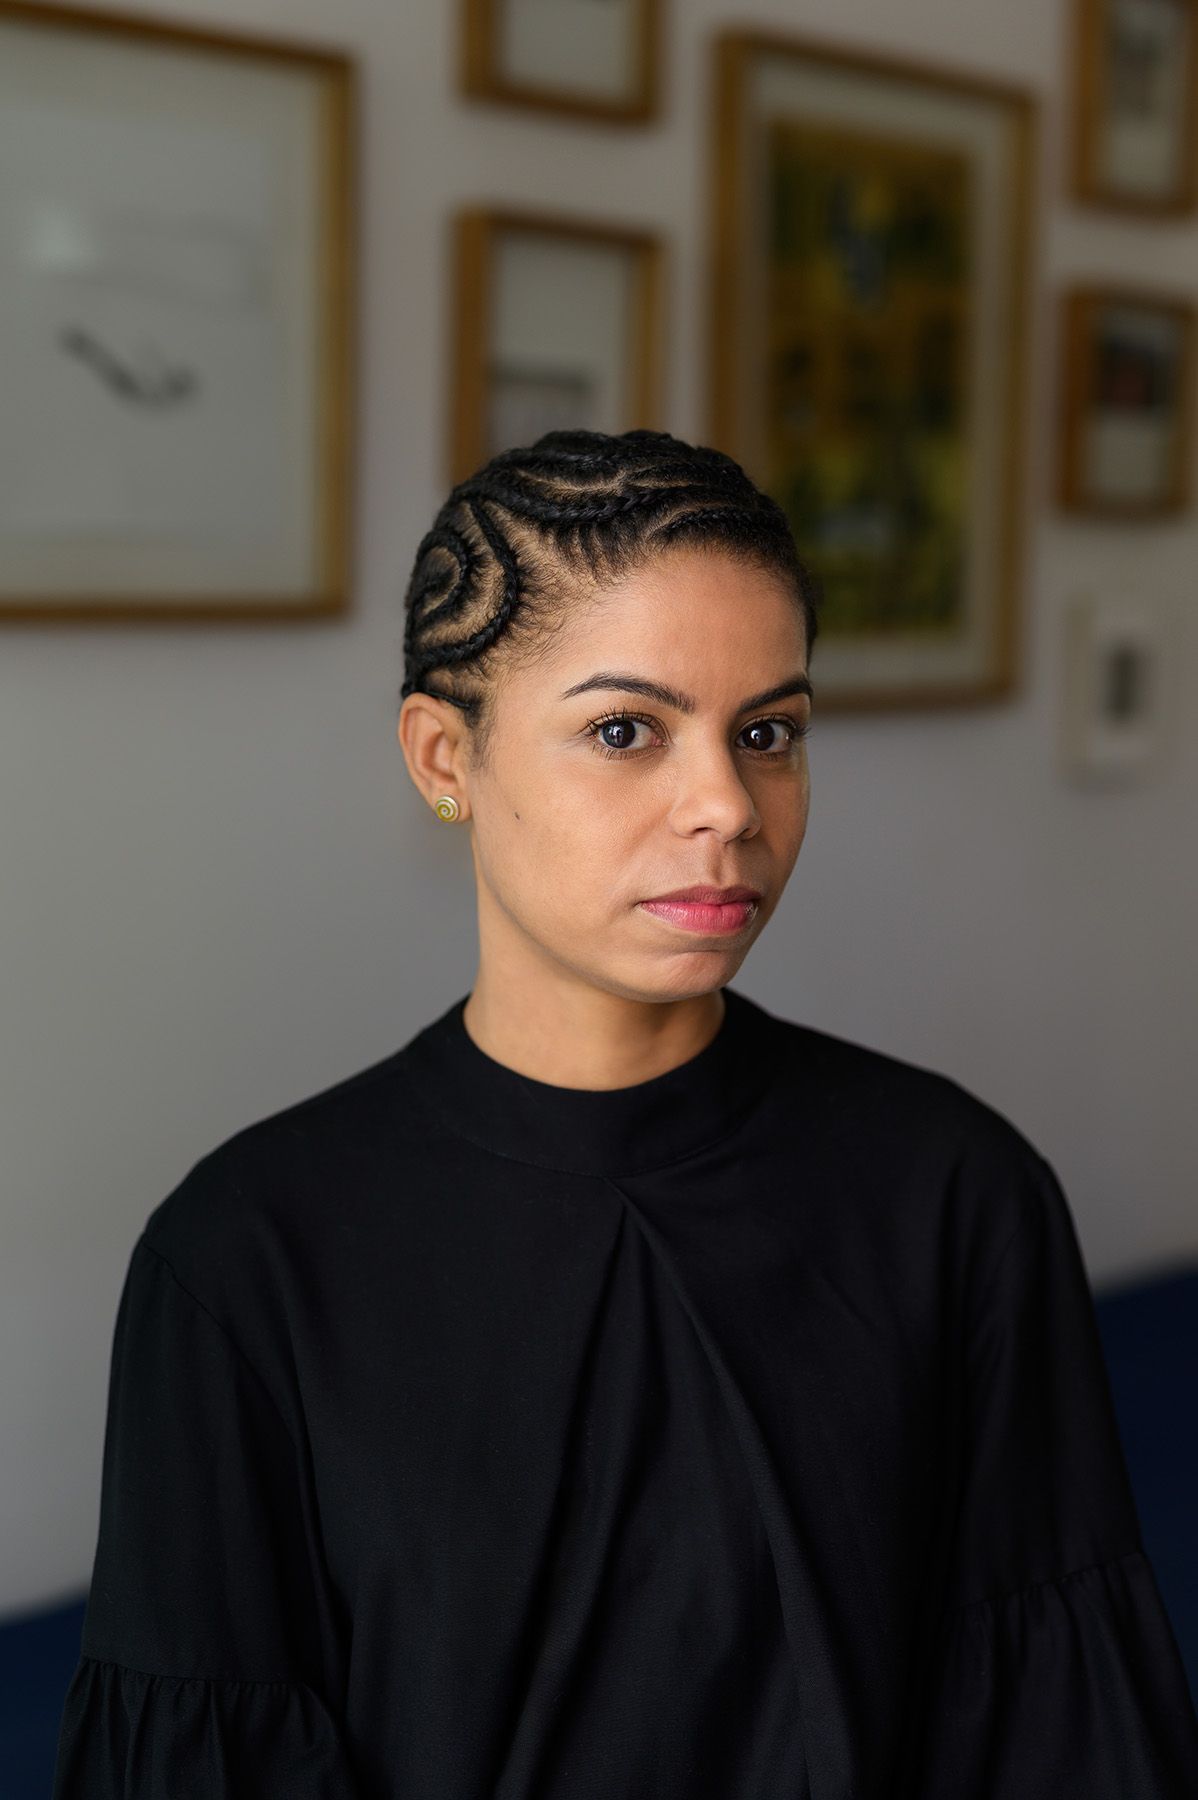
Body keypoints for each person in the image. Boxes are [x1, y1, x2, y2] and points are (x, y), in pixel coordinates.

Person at [52, 429, 1197, 1798]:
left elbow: (1054, 1740)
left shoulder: (958, 1193)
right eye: (623, 731)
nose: (727, 807)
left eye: (767, 733)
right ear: (444, 755)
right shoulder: (245, 1260)